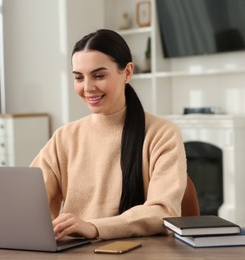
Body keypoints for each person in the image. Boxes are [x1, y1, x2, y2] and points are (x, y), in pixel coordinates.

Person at [30, 29, 187, 241]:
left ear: (128, 72)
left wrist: (93, 227)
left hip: (138, 253)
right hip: (75, 253)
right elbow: (28, 200)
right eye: (79, 78)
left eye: (99, 75)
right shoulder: (64, 137)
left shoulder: (161, 134)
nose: (88, 88)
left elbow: (163, 212)